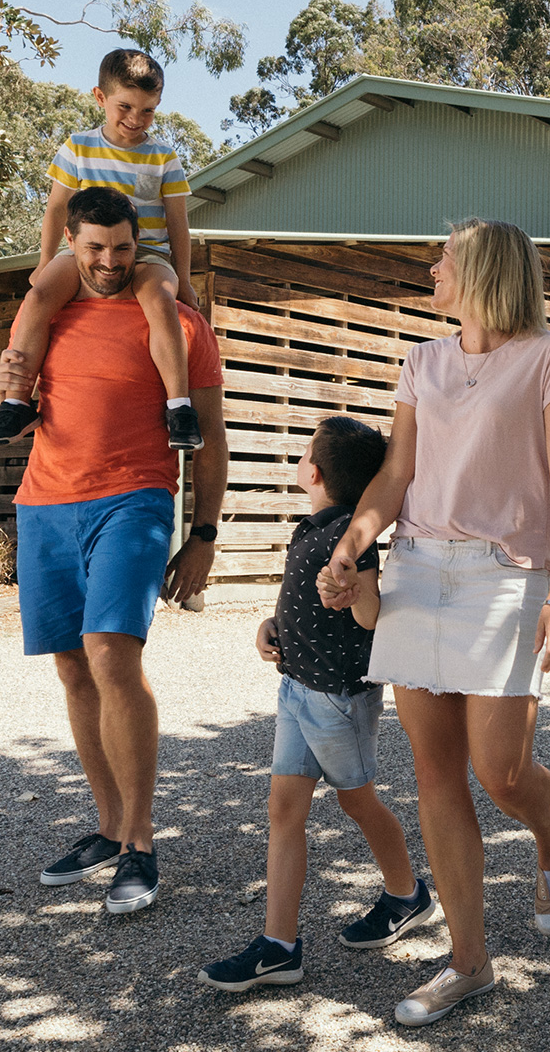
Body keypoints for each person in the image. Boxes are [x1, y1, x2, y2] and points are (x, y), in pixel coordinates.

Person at [318, 218, 550, 1027]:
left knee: (502, 772)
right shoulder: (422, 361)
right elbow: (398, 473)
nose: (432, 268)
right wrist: (352, 546)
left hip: (507, 577)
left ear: (481, 272)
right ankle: (469, 964)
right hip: (418, 570)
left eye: (444, 259)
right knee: (435, 774)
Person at [0, 185, 228, 914]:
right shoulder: (49, 315)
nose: (109, 261)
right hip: (46, 505)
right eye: (94, 248)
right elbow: (9, 403)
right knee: (71, 665)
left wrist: (204, 534)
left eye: (122, 248)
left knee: (111, 650)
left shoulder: (180, 324)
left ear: (136, 241)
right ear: (72, 244)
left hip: (136, 498)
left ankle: (142, 844)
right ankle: (109, 825)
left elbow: (209, 444)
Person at [197, 416, 438, 993]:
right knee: (285, 810)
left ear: (314, 471)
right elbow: (298, 605)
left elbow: (372, 617)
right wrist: (269, 626)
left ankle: (407, 894)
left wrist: (355, 596)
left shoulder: (355, 541)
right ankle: (279, 946)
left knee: (358, 804)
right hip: (296, 689)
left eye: (306, 453)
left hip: (338, 699)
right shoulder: (313, 530)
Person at [0, 48, 203, 452]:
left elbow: (178, 223)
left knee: (159, 300)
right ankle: (15, 402)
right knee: (39, 296)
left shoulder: (163, 158)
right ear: (100, 98)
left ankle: (180, 407)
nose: (136, 119)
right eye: (125, 107)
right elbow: (54, 208)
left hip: (146, 253)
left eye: (148, 110)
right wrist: (46, 261)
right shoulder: (78, 148)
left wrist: (183, 279)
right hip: (85, 251)